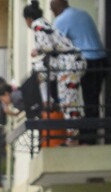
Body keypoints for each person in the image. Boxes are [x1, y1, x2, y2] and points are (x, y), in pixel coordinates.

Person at [22, 0, 83, 132]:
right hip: (69, 60)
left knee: (67, 100)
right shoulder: (44, 23)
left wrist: (37, 51)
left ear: (28, 19)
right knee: (40, 69)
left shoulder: (37, 26)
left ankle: (73, 136)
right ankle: (48, 101)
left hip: (69, 63)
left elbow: (48, 47)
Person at [49, 0, 107, 119]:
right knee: (92, 100)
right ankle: (92, 126)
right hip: (101, 59)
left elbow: (52, 46)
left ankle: (65, 111)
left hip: (85, 60)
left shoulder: (60, 20)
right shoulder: (82, 13)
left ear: (55, 10)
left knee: (69, 93)